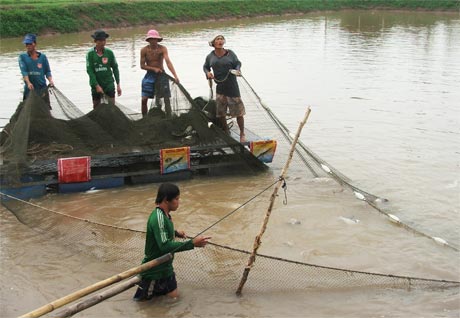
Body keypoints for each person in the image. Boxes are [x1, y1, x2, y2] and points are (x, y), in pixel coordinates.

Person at [133, 183, 210, 300]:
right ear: (166, 200)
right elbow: (164, 246)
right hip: (154, 271)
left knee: (174, 301)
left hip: (167, 268)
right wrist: (192, 243)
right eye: (176, 199)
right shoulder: (157, 217)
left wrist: (175, 232)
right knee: (143, 306)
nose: (178, 202)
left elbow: (162, 231)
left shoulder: (166, 216)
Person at [203, 35, 246, 142]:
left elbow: (238, 63)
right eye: (218, 39)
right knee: (221, 112)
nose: (220, 41)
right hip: (220, 87)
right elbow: (205, 66)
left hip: (232, 87)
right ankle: (226, 131)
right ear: (213, 43)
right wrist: (208, 73)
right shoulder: (210, 56)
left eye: (222, 39)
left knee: (238, 112)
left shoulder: (230, 53)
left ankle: (242, 134)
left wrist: (237, 70)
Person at [140, 29, 180, 117]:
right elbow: (142, 66)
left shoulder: (162, 49)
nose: (153, 41)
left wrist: (175, 75)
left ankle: (168, 117)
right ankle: (144, 118)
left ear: (158, 40)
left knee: (166, 98)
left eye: (155, 39)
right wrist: (153, 68)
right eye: (151, 39)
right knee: (144, 99)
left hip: (162, 74)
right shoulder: (144, 50)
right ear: (148, 40)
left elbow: (168, 62)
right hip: (149, 75)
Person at [86, 30, 122, 108]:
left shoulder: (109, 53)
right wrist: (96, 86)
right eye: (100, 40)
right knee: (96, 106)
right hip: (96, 85)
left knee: (112, 107)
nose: (103, 42)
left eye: (104, 40)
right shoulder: (90, 54)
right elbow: (90, 71)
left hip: (109, 84)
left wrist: (118, 84)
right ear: (95, 41)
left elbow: (115, 68)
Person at [18, 33, 54, 105]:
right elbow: (24, 72)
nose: (28, 46)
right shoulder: (22, 57)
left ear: (35, 44)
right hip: (30, 90)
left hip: (42, 89)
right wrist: (28, 83)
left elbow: (47, 71)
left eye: (30, 44)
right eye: (26, 44)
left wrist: (50, 81)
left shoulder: (42, 57)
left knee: (45, 110)